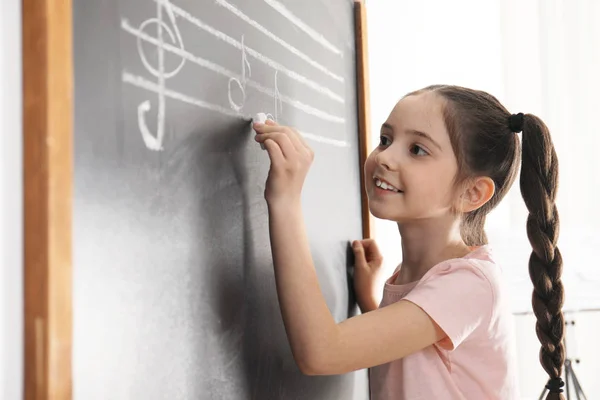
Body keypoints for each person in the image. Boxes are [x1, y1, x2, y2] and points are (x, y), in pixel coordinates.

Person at [252, 84, 566, 400]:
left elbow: (320, 352)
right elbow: (413, 364)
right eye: (385, 140)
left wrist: (285, 199)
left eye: (417, 149)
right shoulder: (420, 278)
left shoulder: (471, 282)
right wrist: (370, 302)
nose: (385, 157)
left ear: (472, 193)